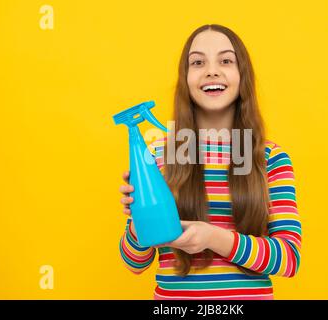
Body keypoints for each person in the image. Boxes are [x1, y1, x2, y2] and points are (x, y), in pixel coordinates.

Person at [118, 24, 301, 300]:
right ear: (186, 78)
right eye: (198, 62)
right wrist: (138, 220)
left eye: (226, 60)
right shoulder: (156, 156)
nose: (211, 70)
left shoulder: (270, 158)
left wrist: (213, 238)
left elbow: (288, 259)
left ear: (242, 76)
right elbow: (134, 262)